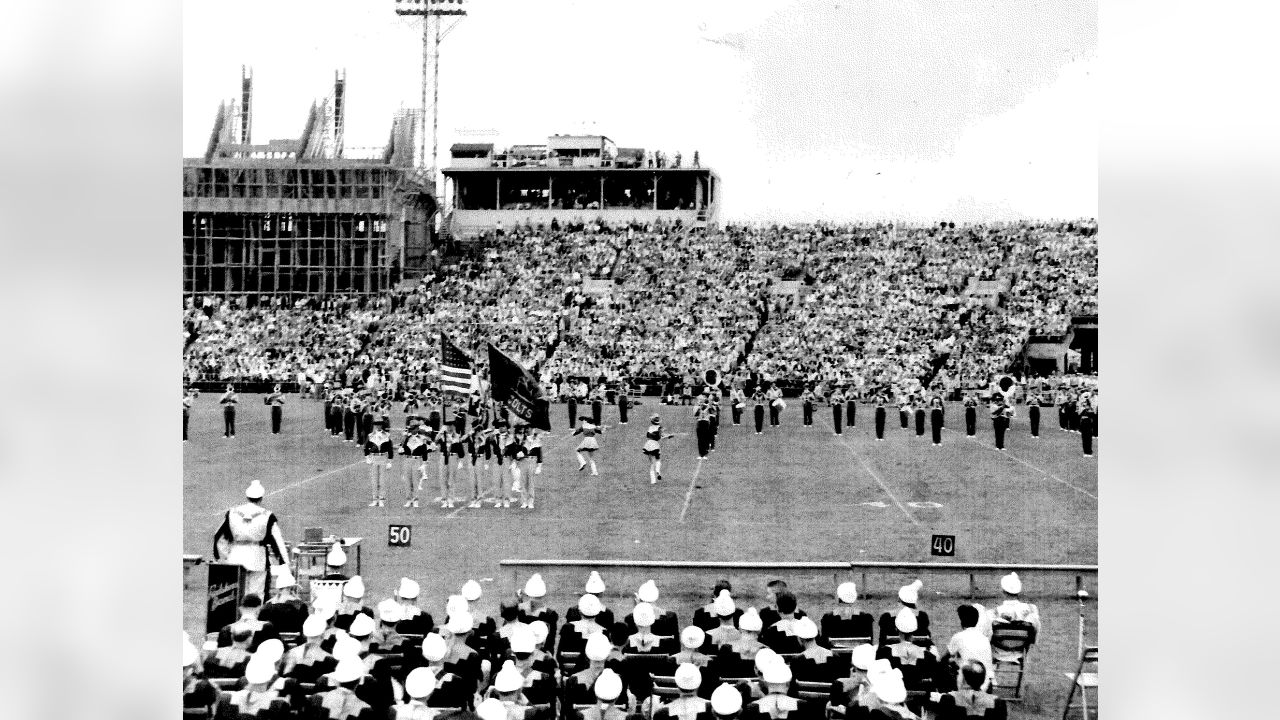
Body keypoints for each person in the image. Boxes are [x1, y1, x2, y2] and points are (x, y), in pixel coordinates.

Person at [213, 480, 288, 598]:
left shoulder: (232, 512)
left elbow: (219, 536)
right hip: (257, 557)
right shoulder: (267, 515)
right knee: (256, 592)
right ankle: (253, 614)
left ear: (247, 496)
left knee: (234, 592)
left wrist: (224, 556)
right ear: (261, 498)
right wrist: (285, 563)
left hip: (235, 556)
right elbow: (278, 542)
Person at [941, 605, 993, 692]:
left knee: (944, 667)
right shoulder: (984, 638)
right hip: (987, 682)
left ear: (962, 621)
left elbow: (945, 658)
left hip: (968, 682)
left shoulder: (958, 636)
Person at [259, 567, 308, 635]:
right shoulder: (300, 606)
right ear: (292, 588)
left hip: (272, 640)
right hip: (295, 641)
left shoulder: (266, 606)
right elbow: (305, 628)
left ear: (278, 589)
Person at [364, 420, 395, 508]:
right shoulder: (370, 435)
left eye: (380, 425)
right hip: (374, 457)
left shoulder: (387, 435)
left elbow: (390, 449)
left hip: (383, 457)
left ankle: (381, 499)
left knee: (382, 480)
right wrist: (367, 457)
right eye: (376, 425)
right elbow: (366, 447)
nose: (378, 426)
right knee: (374, 480)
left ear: (382, 425)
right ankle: (375, 499)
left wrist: (389, 461)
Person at [643, 415, 677, 485]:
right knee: (658, 459)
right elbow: (661, 437)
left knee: (652, 463)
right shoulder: (659, 428)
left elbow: (648, 435)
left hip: (648, 444)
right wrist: (669, 436)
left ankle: (653, 481)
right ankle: (658, 471)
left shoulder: (650, 427)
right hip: (655, 445)